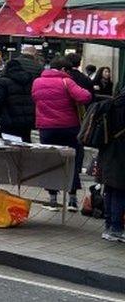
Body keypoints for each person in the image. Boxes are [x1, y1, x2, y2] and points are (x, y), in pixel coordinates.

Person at [32, 55, 92, 211]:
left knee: (51, 161)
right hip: (69, 127)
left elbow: (35, 99)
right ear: (64, 69)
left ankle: (52, 199)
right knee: (72, 161)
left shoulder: (37, 82)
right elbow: (85, 96)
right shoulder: (66, 81)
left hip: (46, 128)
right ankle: (72, 199)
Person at [0, 58, 37, 142]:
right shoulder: (30, 80)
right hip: (27, 120)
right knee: (25, 143)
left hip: (9, 119)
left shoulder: (3, 81)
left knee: (9, 146)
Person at [98, 96, 125, 242]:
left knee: (110, 189)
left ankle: (109, 226)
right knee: (120, 190)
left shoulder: (114, 102)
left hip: (108, 150)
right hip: (120, 153)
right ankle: (116, 228)